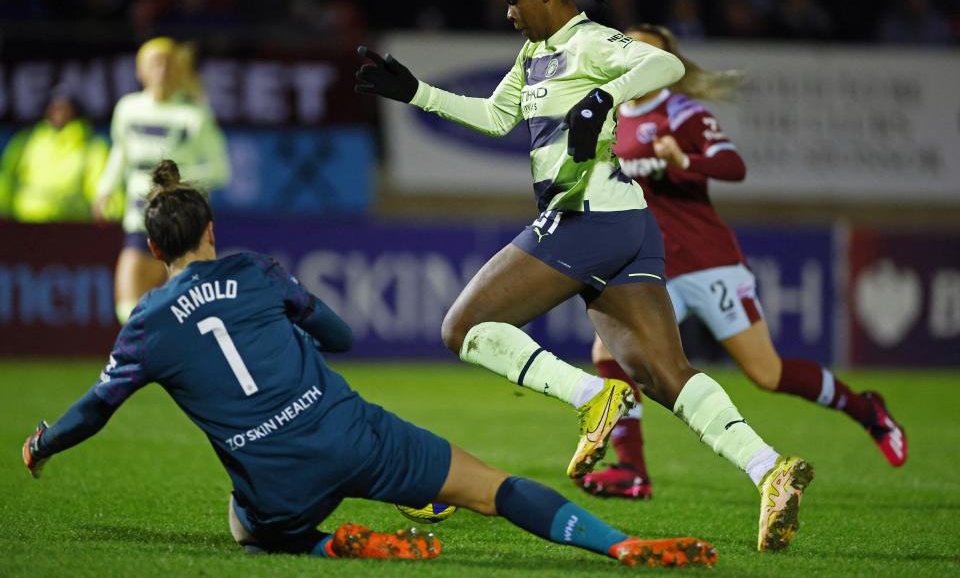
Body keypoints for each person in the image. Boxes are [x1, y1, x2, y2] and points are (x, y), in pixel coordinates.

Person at [21, 159, 717, 569]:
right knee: (492, 486)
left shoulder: (145, 323)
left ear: (150, 245)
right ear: (210, 229)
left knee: (245, 526)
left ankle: (331, 544)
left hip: (276, 483)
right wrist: (293, 314)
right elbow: (342, 333)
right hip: (352, 433)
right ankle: (621, 545)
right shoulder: (255, 271)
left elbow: (95, 408)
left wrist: (44, 441)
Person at [355, 0, 812, 553]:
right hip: (627, 225)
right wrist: (416, 94)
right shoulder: (533, 54)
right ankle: (769, 470)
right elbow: (495, 117)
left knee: (462, 328)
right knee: (663, 373)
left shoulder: (592, 40)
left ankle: (591, 396)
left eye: (513, 0)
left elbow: (667, 67)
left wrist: (606, 95)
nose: (509, 12)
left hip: (587, 215)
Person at [576, 24, 907, 501]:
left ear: (670, 65)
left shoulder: (682, 112)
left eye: (653, 53)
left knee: (766, 373)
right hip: (653, 266)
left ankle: (865, 409)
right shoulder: (611, 117)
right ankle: (633, 471)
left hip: (708, 264)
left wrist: (684, 161)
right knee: (609, 355)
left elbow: (734, 166)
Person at [93, 37, 230, 325]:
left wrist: (178, 184)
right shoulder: (128, 109)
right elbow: (121, 152)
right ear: (139, 70)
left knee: (189, 311)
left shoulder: (195, 116)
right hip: (139, 222)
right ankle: (147, 361)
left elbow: (220, 170)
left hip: (184, 228)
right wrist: (105, 189)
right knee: (129, 309)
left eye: (168, 63)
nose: (162, 70)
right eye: (155, 63)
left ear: (179, 70)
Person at [0, 85, 116, 222]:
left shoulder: (92, 146)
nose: (59, 112)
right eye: (54, 106)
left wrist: (108, 215)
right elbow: (6, 179)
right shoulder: (25, 141)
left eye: (65, 107)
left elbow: (101, 186)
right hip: (26, 226)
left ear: (75, 111)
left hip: (72, 227)